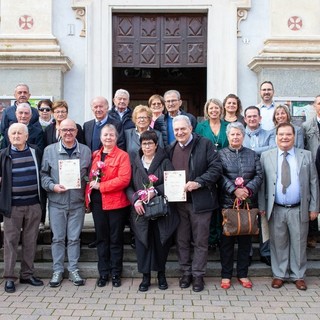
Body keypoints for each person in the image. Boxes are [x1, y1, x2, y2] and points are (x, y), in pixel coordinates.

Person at [259, 123, 319, 291]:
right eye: (281, 135)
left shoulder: (306, 155)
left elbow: (314, 182)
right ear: (276, 137)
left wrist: (314, 207)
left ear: (294, 136)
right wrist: (263, 207)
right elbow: (262, 184)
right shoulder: (266, 156)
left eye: (288, 135)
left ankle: (298, 275)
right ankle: (279, 274)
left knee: (299, 243)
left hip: (299, 208)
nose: (284, 137)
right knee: (278, 243)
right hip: (275, 208)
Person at [168, 115, 222, 292]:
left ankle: (198, 275)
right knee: (182, 240)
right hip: (179, 203)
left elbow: (216, 168)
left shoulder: (204, 144)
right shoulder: (171, 148)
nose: (180, 132)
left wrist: (198, 182)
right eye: (176, 130)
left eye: (183, 129)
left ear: (191, 128)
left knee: (200, 240)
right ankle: (185, 273)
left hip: (200, 202)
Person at [41, 119, 91, 287]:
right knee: (58, 238)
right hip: (57, 202)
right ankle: (57, 270)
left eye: (71, 129)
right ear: (59, 131)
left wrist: (84, 181)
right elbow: (43, 176)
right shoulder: (49, 151)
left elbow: (88, 176)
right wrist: (52, 186)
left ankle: (73, 270)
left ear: (76, 132)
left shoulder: (85, 151)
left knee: (74, 239)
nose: (68, 133)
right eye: (65, 130)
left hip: (77, 203)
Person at [126, 130, 179, 291]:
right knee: (143, 243)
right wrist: (135, 200)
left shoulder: (164, 161)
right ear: (140, 145)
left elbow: (172, 182)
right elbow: (128, 186)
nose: (147, 146)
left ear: (156, 145)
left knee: (160, 243)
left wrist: (155, 191)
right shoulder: (135, 162)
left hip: (160, 210)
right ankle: (145, 276)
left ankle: (161, 274)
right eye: (144, 143)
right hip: (140, 210)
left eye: (150, 143)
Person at [0, 123, 44, 293]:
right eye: (13, 133)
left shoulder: (35, 152)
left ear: (26, 136)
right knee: (10, 242)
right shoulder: (3, 155)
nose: (16, 136)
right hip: (12, 207)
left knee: (30, 241)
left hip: (33, 205)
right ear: (8, 137)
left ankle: (27, 274)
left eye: (20, 133)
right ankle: (9, 277)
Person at [85, 124, 131, 288]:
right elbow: (90, 179)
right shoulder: (95, 155)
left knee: (115, 240)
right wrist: (87, 200)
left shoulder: (122, 156)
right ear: (101, 137)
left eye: (111, 135)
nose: (108, 138)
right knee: (101, 239)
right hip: (98, 204)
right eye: (105, 135)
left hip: (116, 204)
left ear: (116, 137)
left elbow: (124, 179)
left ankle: (116, 273)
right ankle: (103, 273)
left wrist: (102, 187)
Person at [218, 122, 263, 289]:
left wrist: (247, 190)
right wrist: (233, 190)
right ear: (228, 136)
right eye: (232, 134)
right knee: (227, 242)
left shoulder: (252, 154)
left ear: (243, 136)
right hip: (227, 205)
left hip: (248, 205)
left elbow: (259, 175)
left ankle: (242, 274)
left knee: (245, 241)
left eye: (238, 134)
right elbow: (219, 176)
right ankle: (226, 275)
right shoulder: (221, 155)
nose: (235, 137)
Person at [195, 98, 228, 250]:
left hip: (226, 168)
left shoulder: (228, 126)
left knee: (222, 202)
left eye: (217, 108)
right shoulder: (200, 127)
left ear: (221, 110)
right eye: (211, 108)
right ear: (206, 111)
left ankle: (221, 234)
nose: (214, 111)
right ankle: (211, 237)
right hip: (207, 168)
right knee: (210, 203)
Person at [302, 95, 320, 248]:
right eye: (319, 103)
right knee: (312, 200)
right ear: (315, 106)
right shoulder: (307, 126)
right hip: (314, 167)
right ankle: (312, 234)